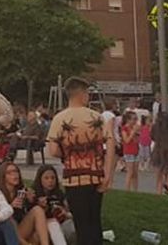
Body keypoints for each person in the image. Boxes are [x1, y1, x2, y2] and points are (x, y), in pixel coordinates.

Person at [45, 76, 115, 245]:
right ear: (82, 94)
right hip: (96, 176)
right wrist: (107, 174)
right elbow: (110, 143)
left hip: (73, 178)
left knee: (81, 224)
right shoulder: (97, 117)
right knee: (94, 222)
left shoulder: (60, 119)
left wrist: (65, 154)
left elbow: (52, 150)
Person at [0, 161, 50, 245]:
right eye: (9, 173)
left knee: (37, 211)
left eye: (16, 171)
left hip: (21, 229)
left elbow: (30, 214)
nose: (14, 175)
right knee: (10, 218)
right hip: (5, 233)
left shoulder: (21, 191)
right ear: (3, 176)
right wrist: (10, 206)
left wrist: (32, 201)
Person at [33, 164, 70, 245]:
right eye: (46, 178)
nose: (50, 181)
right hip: (41, 227)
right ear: (40, 179)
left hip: (60, 224)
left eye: (53, 178)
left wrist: (65, 212)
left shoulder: (59, 194)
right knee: (52, 224)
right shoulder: (34, 194)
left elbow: (70, 211)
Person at [116, 110, 140, 192]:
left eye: (136, 119)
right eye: (133, 119)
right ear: (128, 120)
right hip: (129, 152)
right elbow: (126, 140)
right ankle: (127, 190)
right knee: (130, 172)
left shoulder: (134, 128)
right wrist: (133, 132)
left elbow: (136, 140)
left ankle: (135, 190)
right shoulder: (124, 129)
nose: (135, 121)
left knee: (136, 173)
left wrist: (136, 134)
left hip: (136, 150)